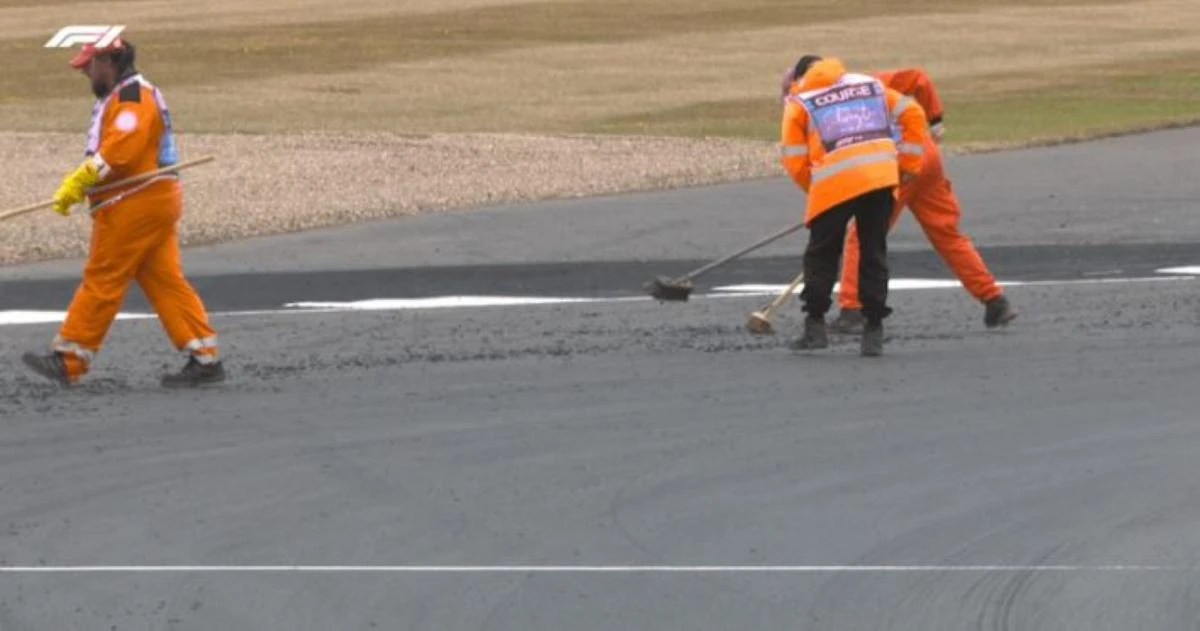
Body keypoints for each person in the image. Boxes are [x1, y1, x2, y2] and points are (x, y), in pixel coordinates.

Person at [21, 37, 226, 388]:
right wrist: (80, 186)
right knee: (163, 279)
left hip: (135, 202)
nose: (84, 70)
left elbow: (120, 154)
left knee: (104, 275)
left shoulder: (134, 99)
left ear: (109, 61)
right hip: (148, 200)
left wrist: (78, 181)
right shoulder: (125, 95)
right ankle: (204, 357)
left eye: (89, 64)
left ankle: (70, 358)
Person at [781, 57, 1018, 333]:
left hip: (893, 165)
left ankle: (852, 309)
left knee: (862, 235)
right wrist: (934, 120)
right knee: (947, 233)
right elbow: (918, 78)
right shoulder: (866, 82)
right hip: (925, 156)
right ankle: (994, 299)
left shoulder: (816, 102)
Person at [779, 55, 929, 356]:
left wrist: (818, 191)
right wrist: (908, 163)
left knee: (822, 255)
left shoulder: (799, 101)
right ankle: (873, 331)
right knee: (873, 252)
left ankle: (815, 327)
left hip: (832, 184)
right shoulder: (868, 85)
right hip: (880, 179)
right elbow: (913, 113)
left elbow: (794, 161)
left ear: (800, 78)